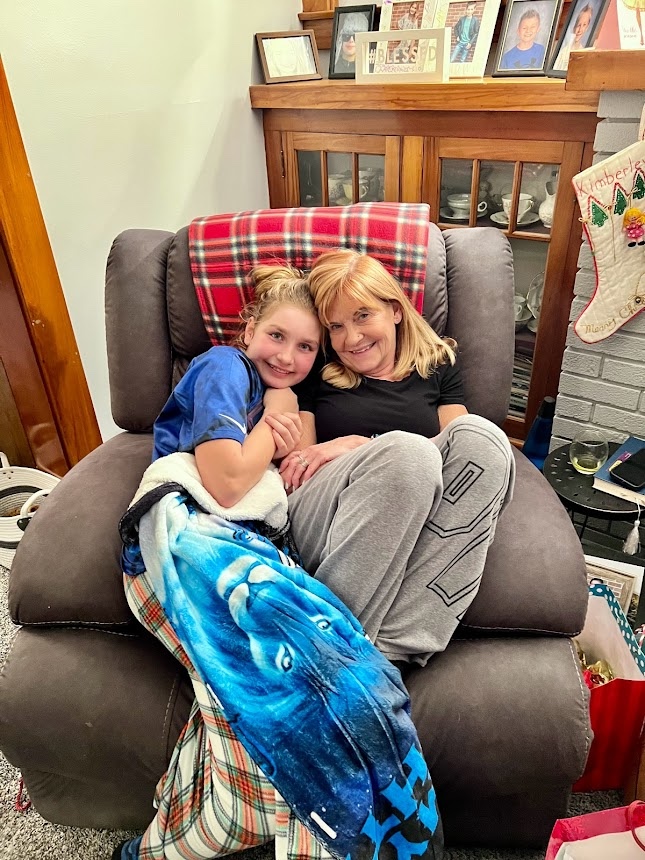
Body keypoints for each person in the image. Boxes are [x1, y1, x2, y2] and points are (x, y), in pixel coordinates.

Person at [279, 250, 515, 666]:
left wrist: (367, 442)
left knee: (482, 439)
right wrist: (349, 448)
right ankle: (329, 645)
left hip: (412, 502)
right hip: (327, 509)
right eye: (336, 326)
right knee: (408, 452)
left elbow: (458, 462)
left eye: (363, 316)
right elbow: (302, 468)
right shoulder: (316, 370)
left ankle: (387, 655)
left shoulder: (438, 367)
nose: (351, 339)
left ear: (395, 310)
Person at [152, 264, 321, 505]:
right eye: (276, 335)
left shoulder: (283, 392)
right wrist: (277, 413)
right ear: (250, 330)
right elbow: (227, 486)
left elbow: (300, 491)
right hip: (189, 520)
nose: (286, 357)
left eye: (305, 346)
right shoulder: (224, 367)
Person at [552, 3, 593, 71]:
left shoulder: (584, 51)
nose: (580, 30)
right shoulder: (564, 51)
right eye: (578, 25)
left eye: (584, 25)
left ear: (587, 27)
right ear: (574, 27)